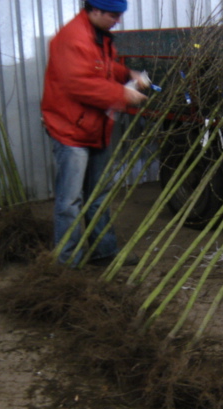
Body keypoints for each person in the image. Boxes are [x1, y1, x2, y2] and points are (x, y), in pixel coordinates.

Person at [41, 0, 147, 267]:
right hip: (71, 129)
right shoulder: (72, 38)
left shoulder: (98, 36)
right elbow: (80, 83)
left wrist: (128, 74)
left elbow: (103, 69)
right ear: (94, 10)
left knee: (98, 194)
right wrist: (122, 94)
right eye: (113, 15)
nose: (118, 21)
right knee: (70, 200)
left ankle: (104, 251)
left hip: (95, 127)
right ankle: (67, 261)